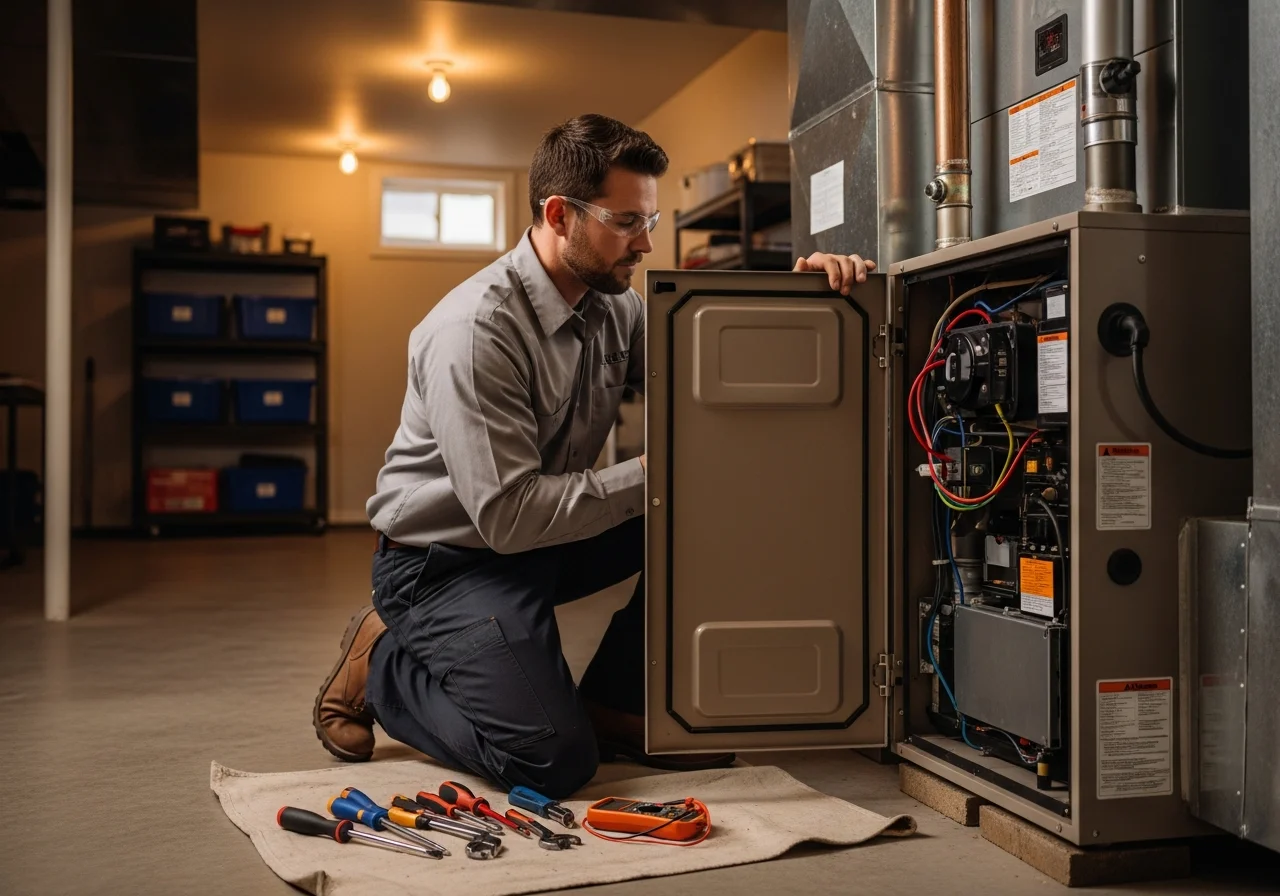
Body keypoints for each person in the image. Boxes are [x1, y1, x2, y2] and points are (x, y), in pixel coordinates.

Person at [313, 113, 876, 799]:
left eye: (652, 219)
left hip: (541, 542)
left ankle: (618, 701)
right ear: (559, 214)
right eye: (625, 222)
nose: (645, 242)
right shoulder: (473, 333)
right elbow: (510, 519)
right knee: (552, 763)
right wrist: (657, 472)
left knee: (712, 508)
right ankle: (383, 665)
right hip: (448, 564)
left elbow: (719, 374)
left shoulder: (616, 308)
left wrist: (802, 299)